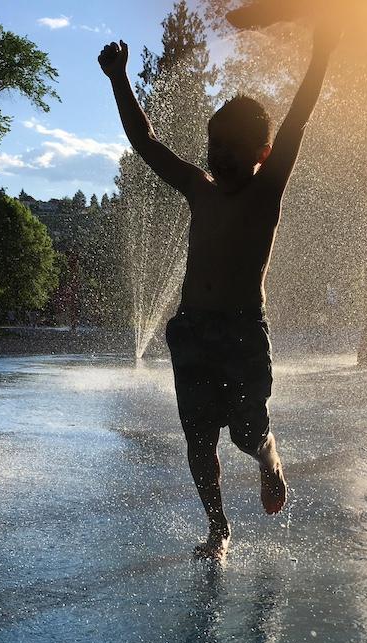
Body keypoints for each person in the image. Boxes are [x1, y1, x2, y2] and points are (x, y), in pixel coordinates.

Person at [98, 26, 339, 560]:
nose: (220, 156)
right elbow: (146, 142)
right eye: (214, 146)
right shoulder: (198, 188)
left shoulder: (266, 190)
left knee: (245, 434)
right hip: (193, 333)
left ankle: (268, 457)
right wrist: (120, 80)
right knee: (199, 438)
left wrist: (320, 55)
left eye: (233, 148)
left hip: (241, 334)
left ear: (263, 152)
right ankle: (218, 528)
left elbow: (298, 118)